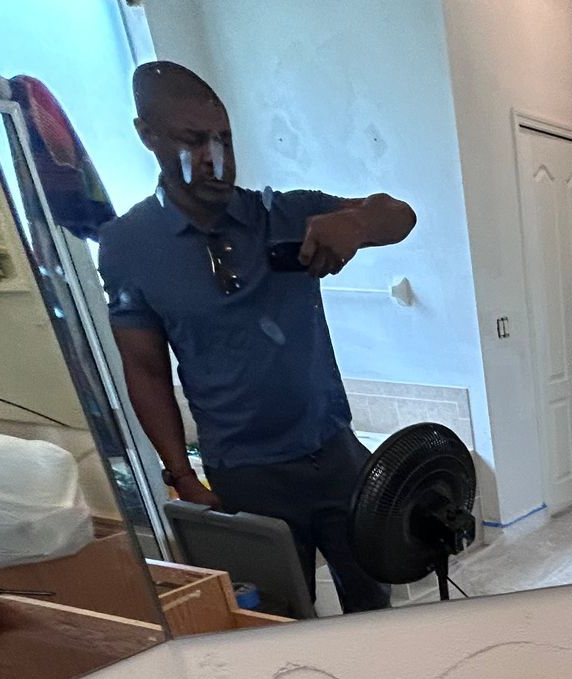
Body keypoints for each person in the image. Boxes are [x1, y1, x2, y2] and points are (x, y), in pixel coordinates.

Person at [98, 62, 417, 613]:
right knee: (274, 622)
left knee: (373, 605)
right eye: (193, 141)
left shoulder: (287, 213)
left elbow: (401, 214)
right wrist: (180, 475)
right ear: (147, 135)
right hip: (244, 476)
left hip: (336, 457)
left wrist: (357, 225)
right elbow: (145, 369)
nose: (215, 157)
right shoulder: (128, 245)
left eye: (223, 138)